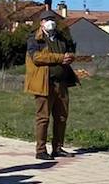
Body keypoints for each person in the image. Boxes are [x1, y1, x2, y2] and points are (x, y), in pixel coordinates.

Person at [24, 15, 77, 161]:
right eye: (46, 20)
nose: (50, 23)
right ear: (41, 23)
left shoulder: (61, 38)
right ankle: (41, 150)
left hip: (61, 83)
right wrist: (60, 58)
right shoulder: (34, 39)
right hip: (44, 83)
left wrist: (70, 57)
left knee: (61, 117)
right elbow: (37, 58)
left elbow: (70, 51)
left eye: (52, 20)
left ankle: (57, 148)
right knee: (43, 118)